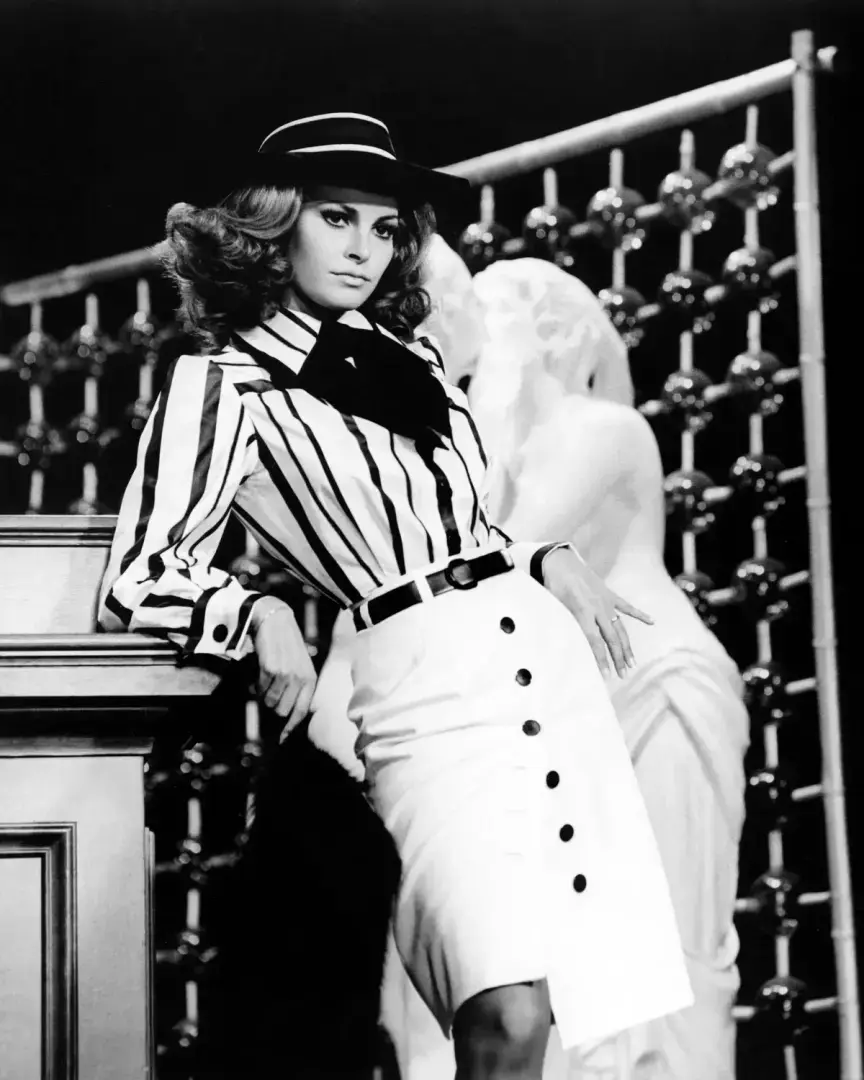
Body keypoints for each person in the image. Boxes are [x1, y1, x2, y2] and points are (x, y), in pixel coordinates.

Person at [97, 113, 692, 1079]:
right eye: (336, 218)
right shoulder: (223, 382)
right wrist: (256, 613)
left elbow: (465, 532)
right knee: (501, 1007)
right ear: (275, 224)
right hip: (420, 698)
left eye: (383, 229)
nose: (363, 249)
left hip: (535, 668)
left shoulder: (415, 362)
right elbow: (142, 572)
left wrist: (545, 558)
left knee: (549, 1010)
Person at [367, 247, 747, 1080]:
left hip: (656, 688)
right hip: (576, 712)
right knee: (576, 958)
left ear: (550, 330)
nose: (471, 332)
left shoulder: (599, 427)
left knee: (669, 949)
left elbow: (506, 546)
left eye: (492, 312)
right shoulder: (497, 453)